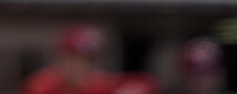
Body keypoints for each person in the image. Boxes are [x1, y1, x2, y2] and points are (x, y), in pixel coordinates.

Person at [18, 24, 160, 94]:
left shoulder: (101, 84)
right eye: (71, 58)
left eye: (84, 60)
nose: (76, 66)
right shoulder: (43, 84)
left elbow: (148, 84)